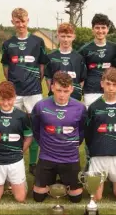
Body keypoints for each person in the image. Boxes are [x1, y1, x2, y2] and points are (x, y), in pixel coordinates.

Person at [1, 8, 49, 176]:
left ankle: (33, 163)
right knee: (14, 126)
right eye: (17, 21)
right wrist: (13, 85)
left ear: (28, 20)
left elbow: (42, 65)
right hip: (16, 92)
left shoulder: (37, 42)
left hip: (34, 91)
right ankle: (14, 158)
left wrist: (36, 81)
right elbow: (6, 67)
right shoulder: (8, 44)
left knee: (36, 126)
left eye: (23, 21)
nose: (20, 24)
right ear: (12, 21)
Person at [31, 71, 87, 203]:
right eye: (59, 90)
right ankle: (54, 179)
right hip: (47, 157)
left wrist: (71, 145)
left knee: (76, 198)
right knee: (38, 197)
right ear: (51, 87)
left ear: (72, 89)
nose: (62, 95)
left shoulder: (80, 108)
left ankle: (64, 178)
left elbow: (83, 131)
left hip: (70, 158)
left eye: (66, 91)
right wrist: (46, 145)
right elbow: (36, 129)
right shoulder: (41, 106)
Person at [0, 81, 33, 203]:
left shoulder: (22, 116)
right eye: (2, 99)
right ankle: (4, 181)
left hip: (15, 160)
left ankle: (20, 182)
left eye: (9, 99)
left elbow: (28, 137)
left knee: (20, 198)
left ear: (15, 97)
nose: (5, 103)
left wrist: (20, 151)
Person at [85, 67, 116, 202]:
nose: (111, 88)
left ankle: (111, 179)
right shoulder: (94, 107)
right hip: (98, 155)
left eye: (114, 85)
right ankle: (90, 168)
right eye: (108, 84)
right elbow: (89, 133)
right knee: (96, 197)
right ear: (102, 83)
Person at [78, 13, 116, 108]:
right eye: (97, 27)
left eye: (103, 27)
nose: (100, 31)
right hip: (90, 92)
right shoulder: (84, 49)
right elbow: (81, 75)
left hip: (110, 90)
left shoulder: (114, 48)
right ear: (92, 29)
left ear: (107, 29)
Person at [45, 22, 87, 101]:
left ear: (74, 37)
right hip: (56, 98)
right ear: (58, 36)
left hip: (74, 98)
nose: (66, 39)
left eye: (69, 36)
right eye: (63, 36)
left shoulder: (79, 58)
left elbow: (82, 80)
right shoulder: (50, 57)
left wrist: (76, 93)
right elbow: (48, 79)